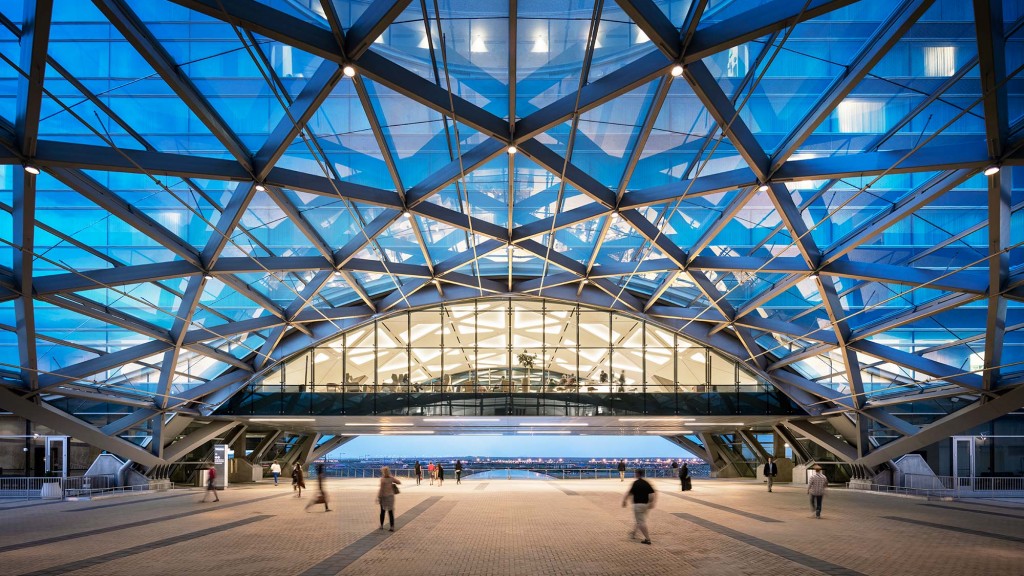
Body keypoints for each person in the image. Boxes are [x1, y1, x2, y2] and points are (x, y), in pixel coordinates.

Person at [621, 469, 655, 545]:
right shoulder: (646, 483)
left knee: (640, 522)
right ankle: (633, 533)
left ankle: (647, 539)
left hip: (638, 505)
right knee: (639, 520)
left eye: (635, 473)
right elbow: (652, 494)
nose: (635, 474)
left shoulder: (635, 483)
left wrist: (624, 501)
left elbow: (628, 493)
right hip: (645, 505)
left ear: (638, 474)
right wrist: (652, 502)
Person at [377, 466, 401, 531]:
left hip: (383, 497)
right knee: (390, 512)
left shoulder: (382, 479)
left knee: (382, 511)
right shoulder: (391, 478)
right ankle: (392, 527)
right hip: (390, 497)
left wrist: (378, 497)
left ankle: (381, 525)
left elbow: (381, 489)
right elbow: (399, 482)